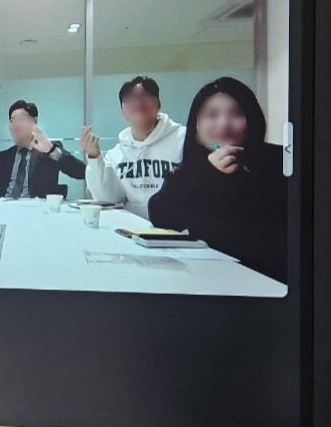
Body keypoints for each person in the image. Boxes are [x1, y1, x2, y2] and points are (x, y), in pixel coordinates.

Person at [148, 77, 287, 282]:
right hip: (211, 279)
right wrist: (208, 172)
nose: (224, 123)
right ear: (197, 125)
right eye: (212, 115)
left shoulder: (280, 161)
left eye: (237, 113)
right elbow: (161, 215)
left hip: (274, 283)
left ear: (253, 118)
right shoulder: (191, 170)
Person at [80, 76, 185, 219]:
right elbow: (109, 199)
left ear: (158, 104)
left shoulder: (183, 139)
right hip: (133, 228)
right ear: (123, 112)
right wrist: (94, 157)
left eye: (145, 95)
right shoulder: (117, 155)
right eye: (130, 98)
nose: (138, 102)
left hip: (177, 230)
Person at [0, 100, 85, 197]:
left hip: (37, 213)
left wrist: (51, 151)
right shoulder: (4, 157)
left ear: (35, 122)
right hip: (8, 211)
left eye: (21, 119)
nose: (16, 125)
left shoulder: (48, 150)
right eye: (12, 120)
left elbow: (81, 172)